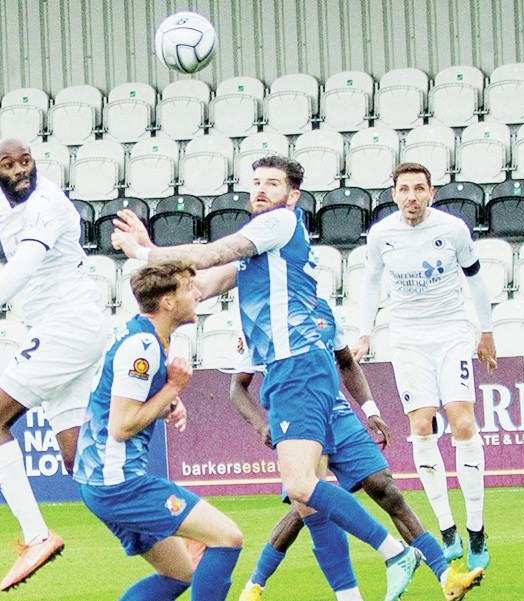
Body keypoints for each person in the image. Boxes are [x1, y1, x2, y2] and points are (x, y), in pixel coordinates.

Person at [112, 155, 423, 601]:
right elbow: (201, 284)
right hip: (286, 367)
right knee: (306, 497)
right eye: (256, 182)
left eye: (272, 183)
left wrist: (145, 251)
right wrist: (157, 269)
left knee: (302, 486)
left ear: (292, 196)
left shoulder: (277, 224)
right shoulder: (262, 247)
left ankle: (394, 551)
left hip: (298, 362)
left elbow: (210, 254)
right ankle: (352, 593)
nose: (260, 189)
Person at [0, 139, 112, 591]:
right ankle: (179, 523)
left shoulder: (46, 203)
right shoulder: (5, 207)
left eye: (26, 161)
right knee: (81, 462)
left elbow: (22, 267)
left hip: (67, 326)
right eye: (9, 164)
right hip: (64, 328)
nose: (20, 170)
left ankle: (36, 536)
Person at [232, 298, 483, 601]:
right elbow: (238, 387)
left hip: (337, 414)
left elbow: (347, 363)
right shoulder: (259, 318)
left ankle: (445, 575)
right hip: (297, 418)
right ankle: (255, 585)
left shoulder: (323, 310)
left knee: (385, 488)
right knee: (306, 506)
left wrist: (370, 409)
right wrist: (261, 426)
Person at [353, 162, 498, 571]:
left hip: (451, 332)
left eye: (419, 188)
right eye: (404, 189)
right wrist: (365, 332)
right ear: (394, 194)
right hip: (408, 337)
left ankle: (476, 529)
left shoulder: (452, 229)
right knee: (421, 426)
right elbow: (371, 282)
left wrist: (486, 331)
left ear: (431, 192)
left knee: (462, 422)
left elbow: (475, 279)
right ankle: (448, 529)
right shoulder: (382, 234)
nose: (411, 196)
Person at [74, 260, 242, 600]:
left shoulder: (141, 335)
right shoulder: (144, 347)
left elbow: (118, 403)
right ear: (167, 302)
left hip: (102, 482)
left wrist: (166, 403)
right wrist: (173, 388)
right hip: (119, 484)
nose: (197, 295)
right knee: (227, 538)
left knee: (179, 573)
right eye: (188, 290)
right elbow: (121, 426)